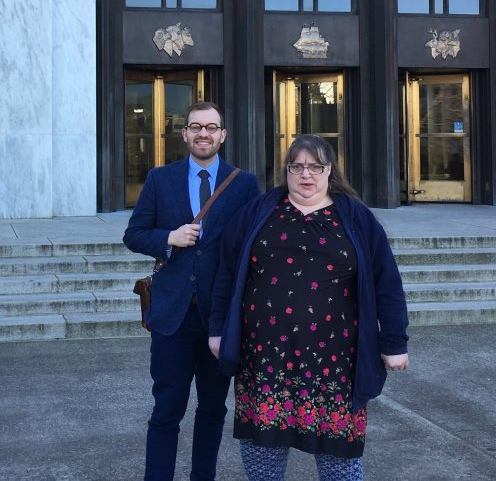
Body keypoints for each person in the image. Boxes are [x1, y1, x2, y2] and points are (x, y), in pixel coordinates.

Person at [209, 134, 409, 481]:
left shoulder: (356, 217)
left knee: (339, 460)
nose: (306, 174)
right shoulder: (259, 211)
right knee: (263, 455)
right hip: (266, 359)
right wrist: (217, 328)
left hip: (336, 364)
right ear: (286, 171)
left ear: (329, 170)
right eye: (297, 166)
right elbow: (227, 272)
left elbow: (386, 283)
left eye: (316, 166)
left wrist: (394, 343)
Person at [124, 101, 261, 481]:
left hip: (219, 320)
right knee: (166, 410)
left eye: (211, 127)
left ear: (223, 135)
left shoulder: (244, 183)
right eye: (196, 127)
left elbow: (254, 244)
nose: (204, 133)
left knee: (214, 410)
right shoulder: (159, 179)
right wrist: (168, 237)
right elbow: (133, 234)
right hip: (172, 317)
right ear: (184, 133)